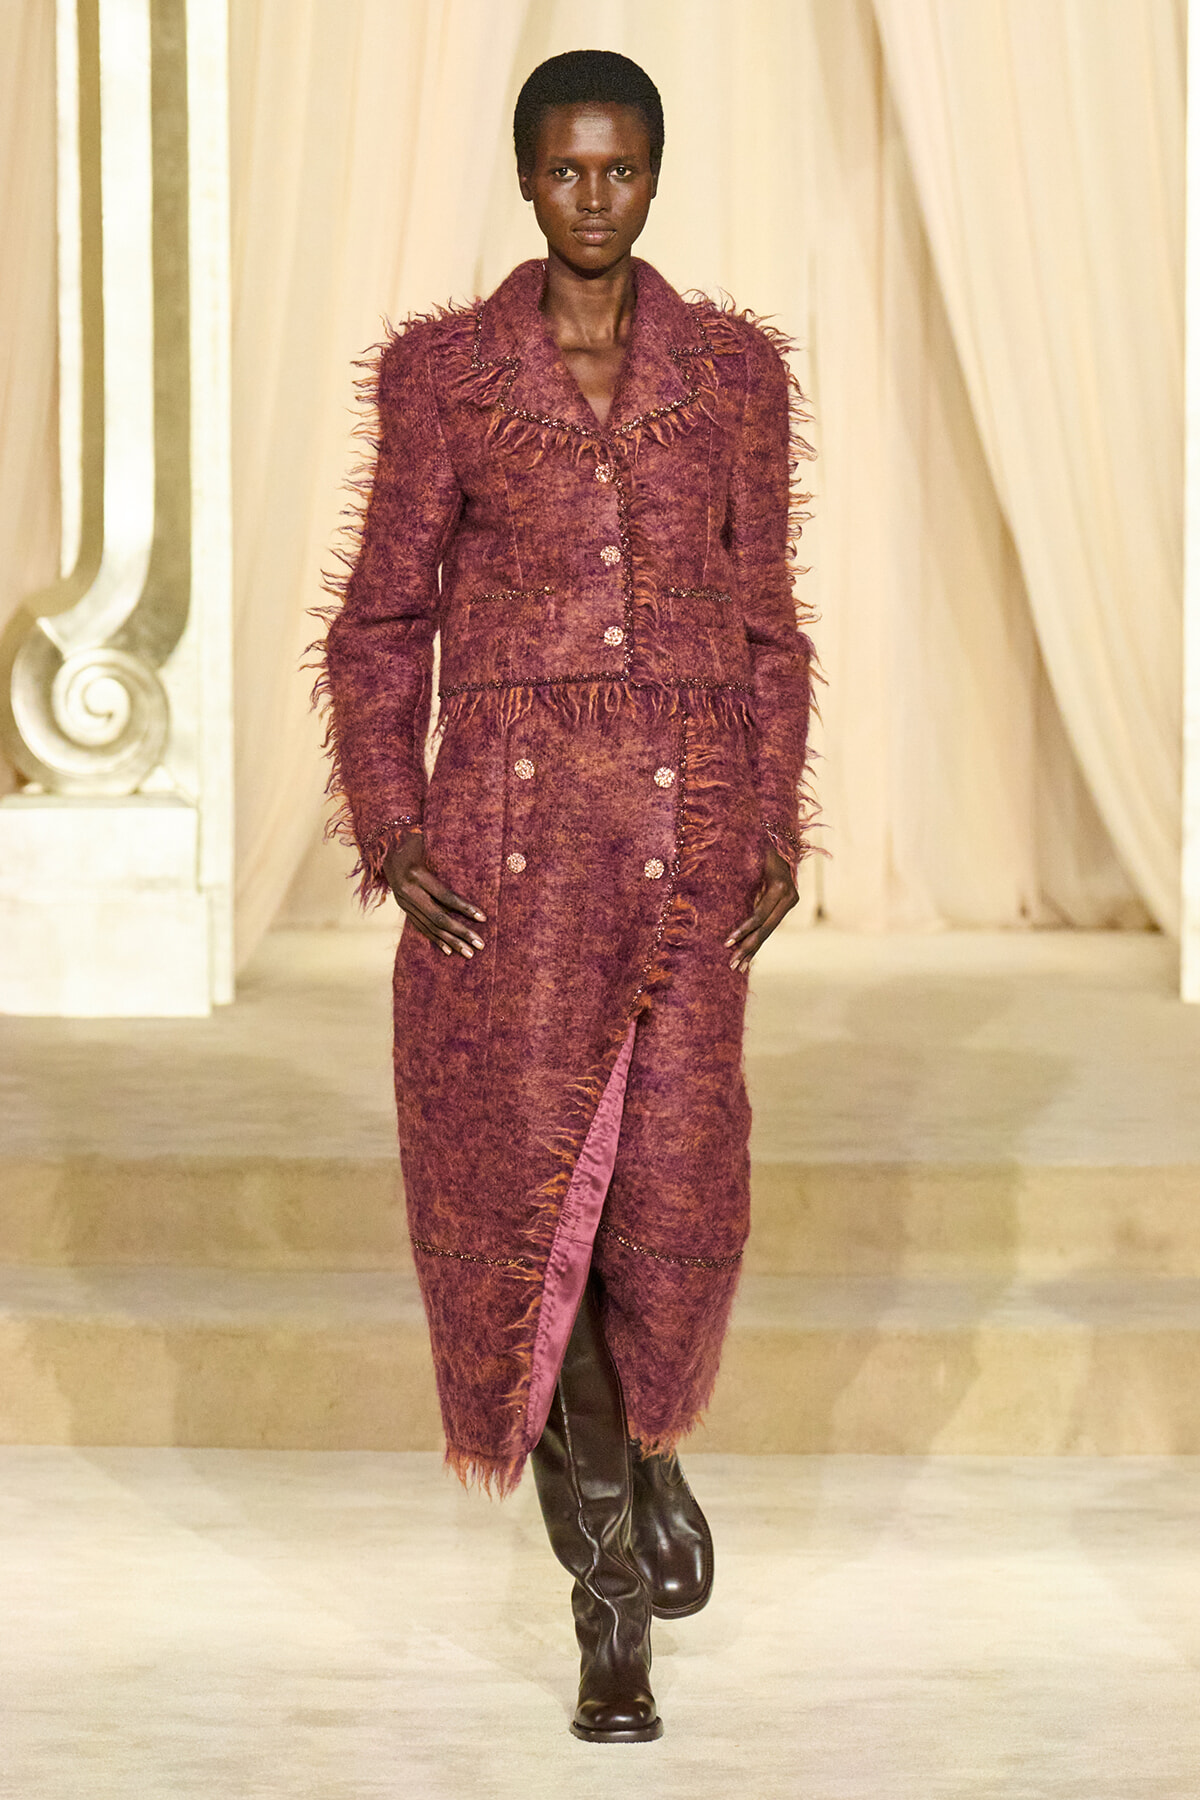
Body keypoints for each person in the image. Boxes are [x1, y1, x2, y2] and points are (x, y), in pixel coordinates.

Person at [316, 48, 817, 1744]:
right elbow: (381, 621)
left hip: (687, 854)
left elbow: (767, 628)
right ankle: (610, 1607)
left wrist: (771, 839)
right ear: (523, 178)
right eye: (562, 172)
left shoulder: (733, 374)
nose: (591, 200)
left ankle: (653, 1449)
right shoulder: (448, 378)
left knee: (670, 1201)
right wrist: (393, 828)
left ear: (656, 177)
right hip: (508, 857)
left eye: (619, 173)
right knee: (532, 1216)